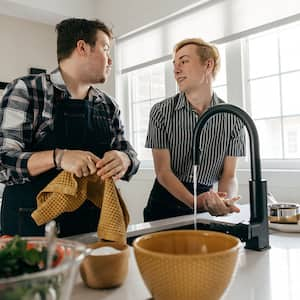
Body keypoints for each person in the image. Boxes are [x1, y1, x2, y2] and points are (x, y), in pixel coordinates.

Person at [0, 18, 140, 236]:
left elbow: (130, 153)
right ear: (82, 47)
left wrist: (125, 160)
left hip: (91, 227)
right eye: (105, 48)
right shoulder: (28, 90)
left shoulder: (108, 105)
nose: (110, 60)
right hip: (30, 228)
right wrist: (59, 157)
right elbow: (4, 162)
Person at [144, 38, 245, 222]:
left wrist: (223, 200)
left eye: (183, 61)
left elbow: (229, 175)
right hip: (163, 206)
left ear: (208, 65)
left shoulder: (233, 118)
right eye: (175, 64)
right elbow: (163, 171)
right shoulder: (160, 112)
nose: (176, 70)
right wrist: (193, 202)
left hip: (206, 206)